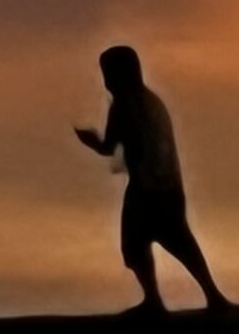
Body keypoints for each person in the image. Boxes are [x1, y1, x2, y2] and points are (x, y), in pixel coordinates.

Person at [74, 45, 230, 313]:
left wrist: (90, 141)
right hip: (168, 184)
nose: (106, 80)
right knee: (177, 241)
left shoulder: (124, 105)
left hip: (147, 188)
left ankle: (156, 301)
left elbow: (109, 147)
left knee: (138, 244)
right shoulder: (152, 102)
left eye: (108, 73)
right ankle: (210, 296)